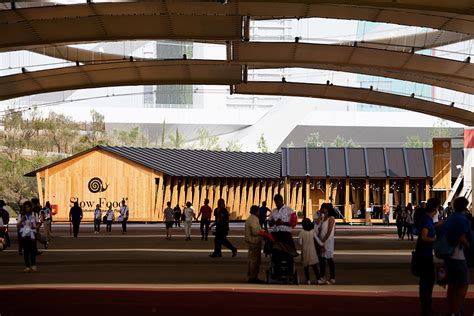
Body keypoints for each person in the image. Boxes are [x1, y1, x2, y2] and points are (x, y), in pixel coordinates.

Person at [439, 197, 471, 316]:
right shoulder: (462, 219)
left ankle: (451, 310)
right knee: (462, 284)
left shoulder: (449, 219)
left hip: (448, 256)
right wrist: (469, 246)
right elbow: (461, 237)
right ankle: (457, 310)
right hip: (458, 256)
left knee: (452, 285)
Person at [415, 198, 440, 316]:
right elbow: (424, 237)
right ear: (435, 209)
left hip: (423, 254)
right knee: (427, 282)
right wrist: (434, 240)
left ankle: (426, 305)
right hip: (425, 255)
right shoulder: (427, 220)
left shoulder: (425, 218)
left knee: (425, 282)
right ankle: (426, 306)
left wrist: (440, 224)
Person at [299, 218, 322, 285]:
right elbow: (318, 241)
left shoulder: (301, 232)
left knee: (306, 267)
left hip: (305, 251)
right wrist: (323, 245)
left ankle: (308, 280)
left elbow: (300, 243)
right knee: (314, 267)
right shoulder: (312, 232)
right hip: (312, 251)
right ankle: (318, 279)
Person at [17, 201, 38, 273]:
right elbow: (18, 225)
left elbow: (38, 223)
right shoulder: (21, 215)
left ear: (31, 207)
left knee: (33, 250)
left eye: (28, 207)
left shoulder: (34, 214)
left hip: (32, 234)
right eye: (25, 207)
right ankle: (27, 266)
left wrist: (36, 229)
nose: (27, 209)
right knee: (26, 251)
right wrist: (22, 221)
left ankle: (33, 265)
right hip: (24, 235)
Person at [318, 203, 336, 285]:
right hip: (322, 240)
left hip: (328, 241)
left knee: (329, 259)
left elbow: (329, 231)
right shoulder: (323, 218)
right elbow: (319, 227)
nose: (321, 210)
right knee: (322, 259)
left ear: (327, 209)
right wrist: (320, 217)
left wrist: (324, 241)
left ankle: (332, 277)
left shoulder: (331, 219)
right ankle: (322, 277)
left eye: (323, 208)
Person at [245, 205, 263, 283]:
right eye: (258, 211)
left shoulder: (250, 218)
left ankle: (251, 276)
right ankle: (253, 277)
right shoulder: (254, 219)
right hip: (254, 242)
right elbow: (255, 231)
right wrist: (263, 233)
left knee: (252, 260)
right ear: (256, 211)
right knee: (255, 260)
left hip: (251, 242)